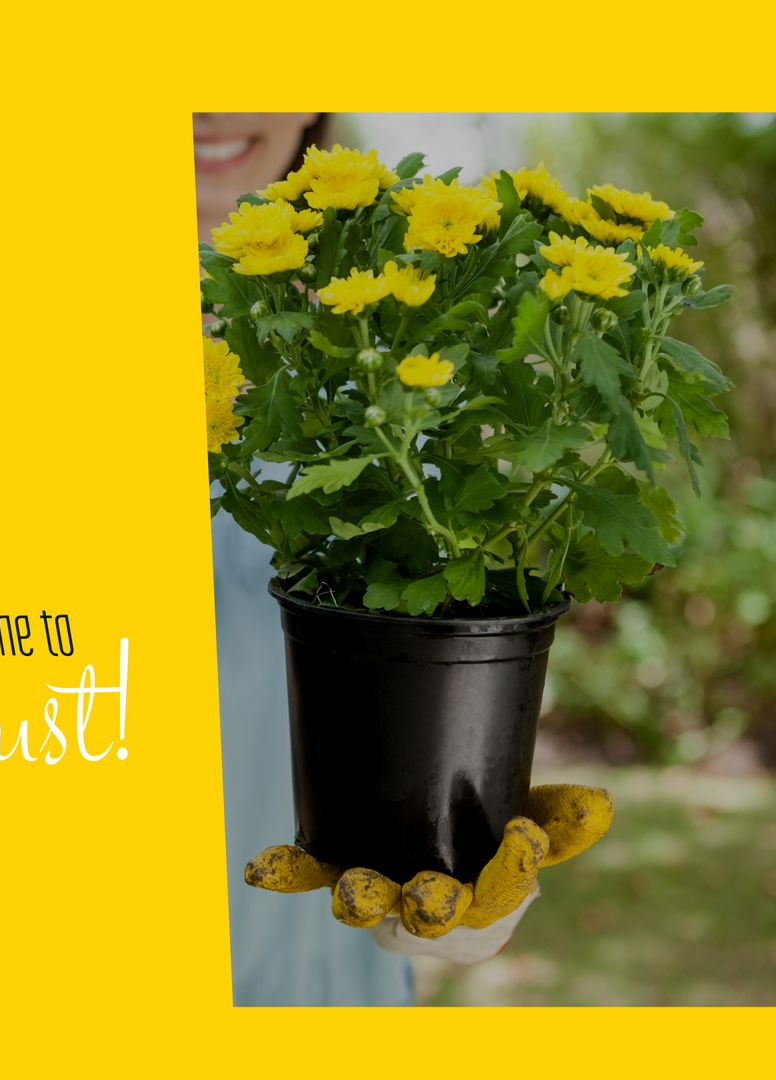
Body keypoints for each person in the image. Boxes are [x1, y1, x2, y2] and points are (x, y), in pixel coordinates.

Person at [196, 114, 611, 1006]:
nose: (214, 100)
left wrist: (458, 855)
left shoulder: (387, 348)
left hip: (310, 981)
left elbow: (446, 635)